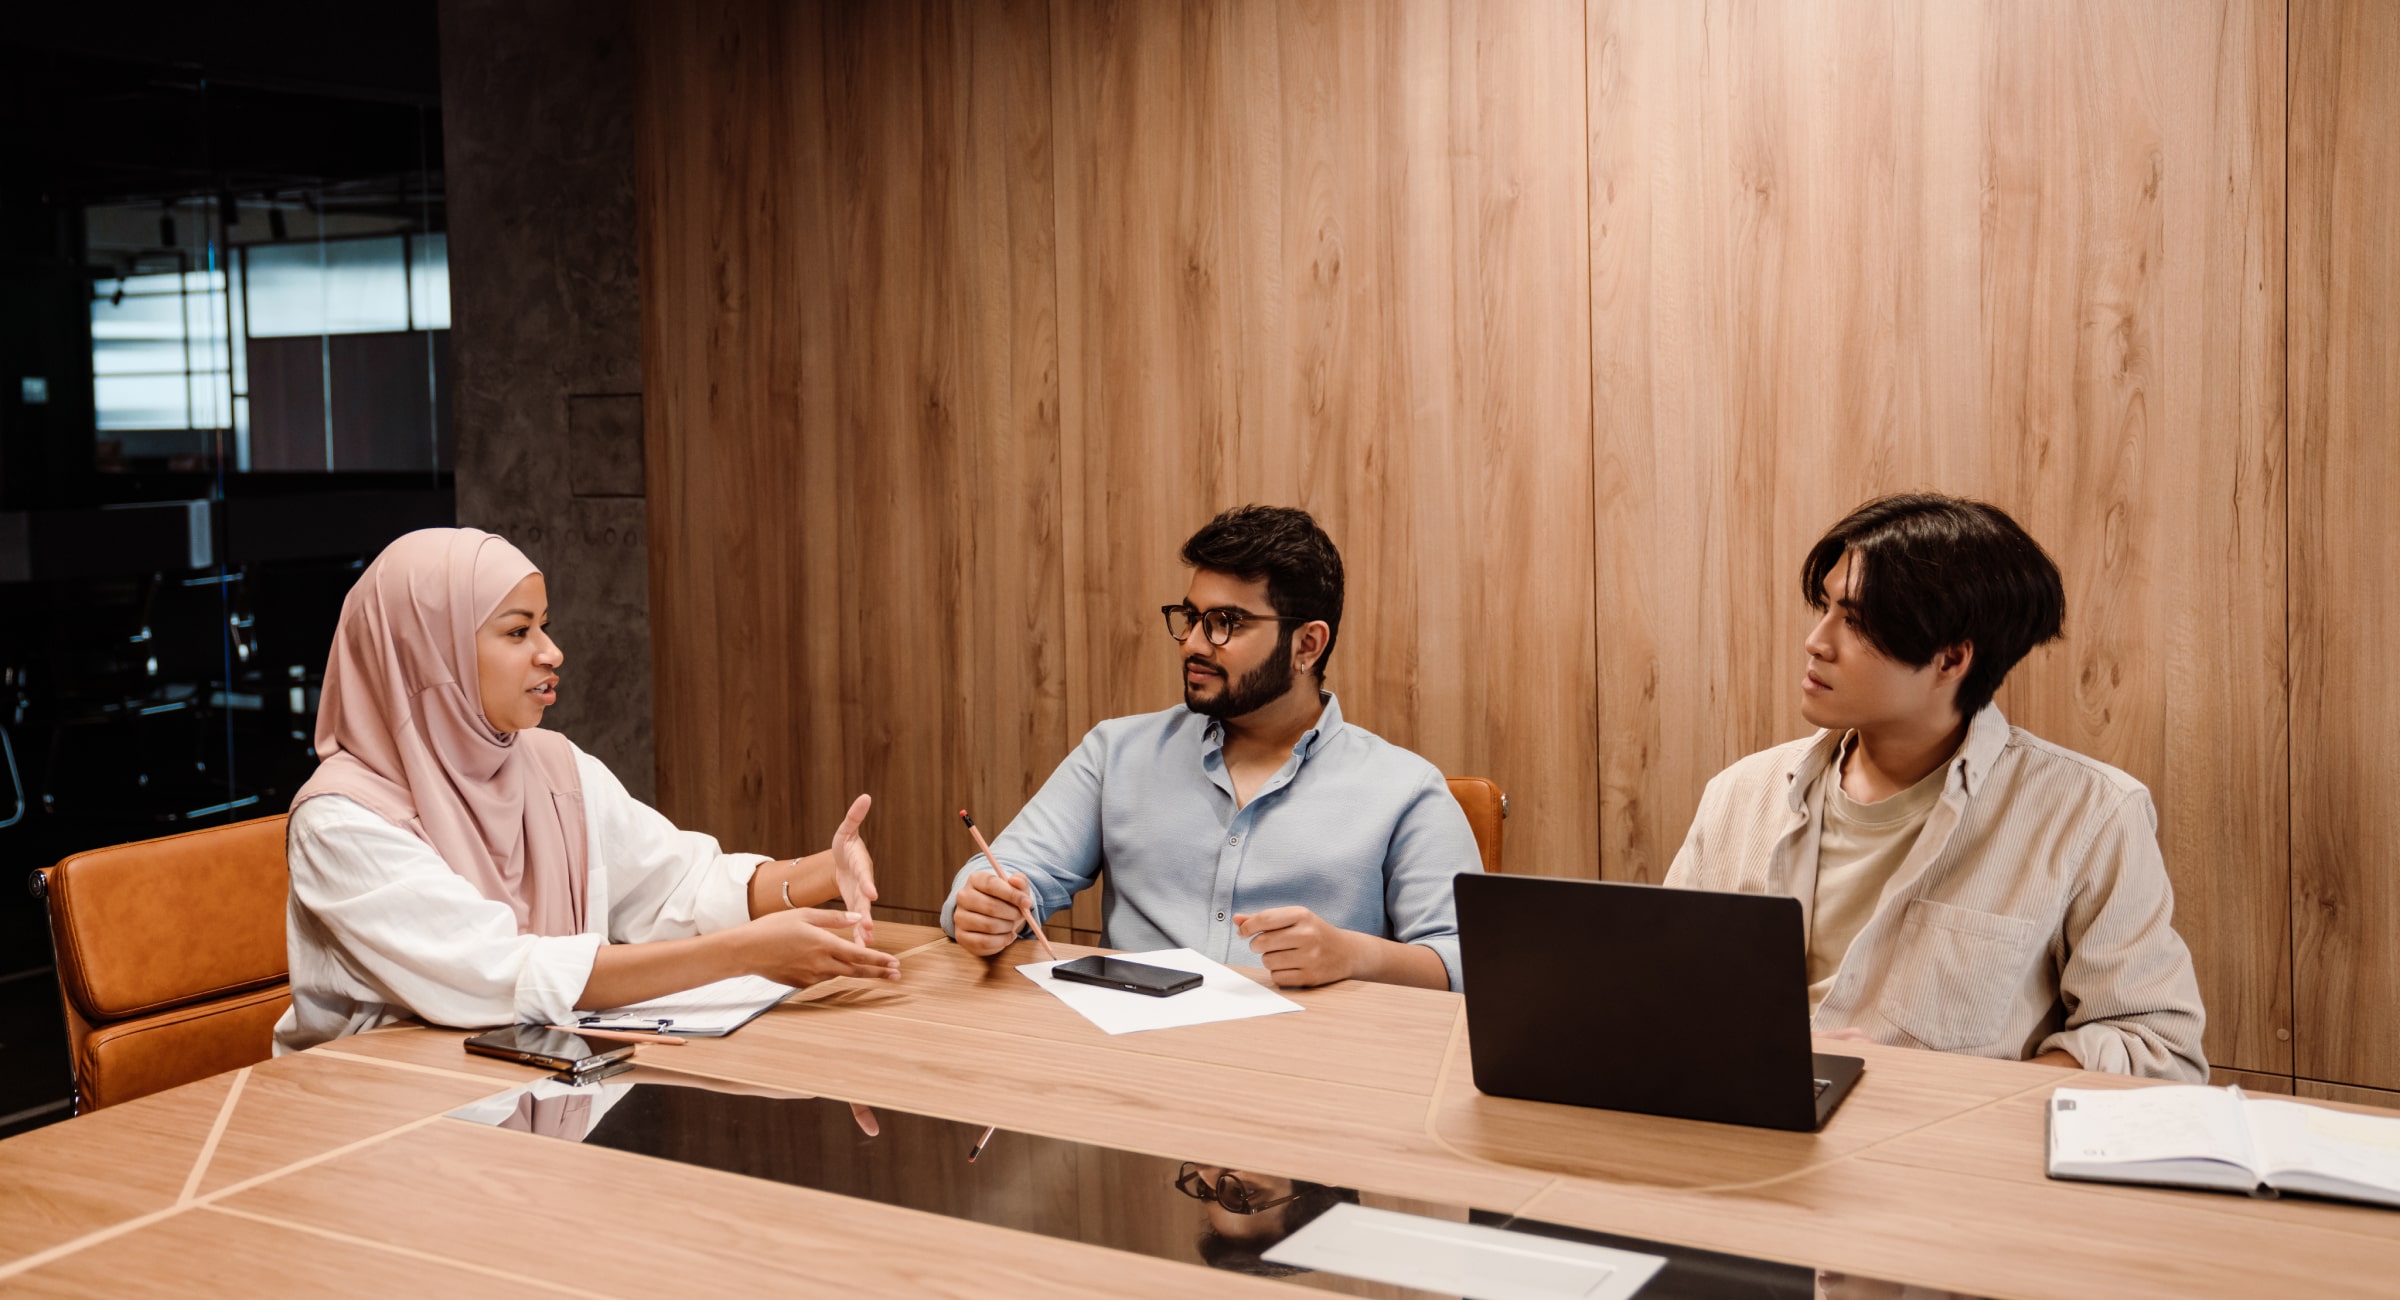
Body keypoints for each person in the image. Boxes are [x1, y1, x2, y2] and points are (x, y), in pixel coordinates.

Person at [273, 527, 897, 1054]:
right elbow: (498, 973)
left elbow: (676, 886)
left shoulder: (554, 766)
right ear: (427, 656)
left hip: (529, 1103)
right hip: (377, 1133)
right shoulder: (340, 821)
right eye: (518, 633)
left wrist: (824, 871)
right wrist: (743, 955)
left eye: (543, 626)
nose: (552, 652)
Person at [1667, 493, 2207, 1081]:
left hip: (1941, 1152)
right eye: (1824, 607)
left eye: (1855, 621)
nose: (1817, 642)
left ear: (1951, 659)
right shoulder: (1742, 793)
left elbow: (2156, 1047)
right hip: (1742, 1126)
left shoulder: (2092, 813)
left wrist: (1923, 1082)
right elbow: (1662, 989)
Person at [942, 505, 1479, 990]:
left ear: (1307, 645)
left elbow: (1465, 962)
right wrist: (983, 903)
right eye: (1191, 617)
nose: (1194, 643)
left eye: (1227, 623)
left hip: (1306, 1074)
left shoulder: (1405, 789)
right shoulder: (1116, 752)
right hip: (1126, 1058)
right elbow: (1008, 869)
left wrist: (1353, 955)